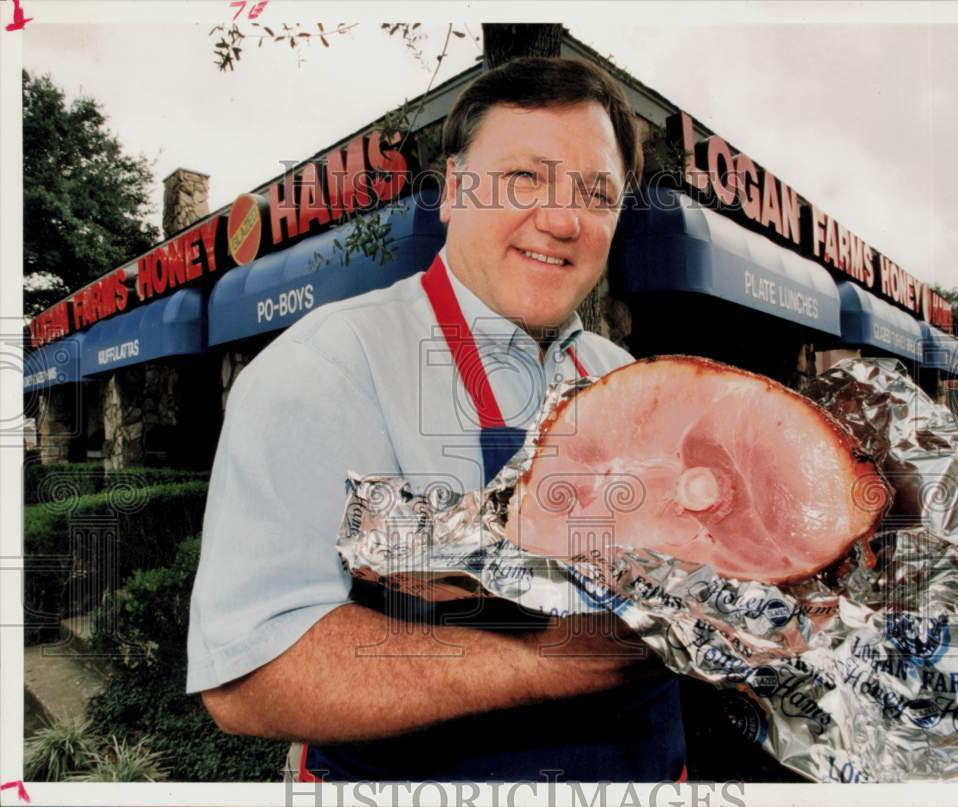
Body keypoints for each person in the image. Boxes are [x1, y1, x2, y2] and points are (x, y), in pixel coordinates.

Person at [187, 56, 687, 783]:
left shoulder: (627, 378)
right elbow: (250, 671)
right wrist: (550, 660)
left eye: (596, 192)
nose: (562, 219)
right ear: (453, 190)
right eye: (523, 179)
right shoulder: (329, 365)